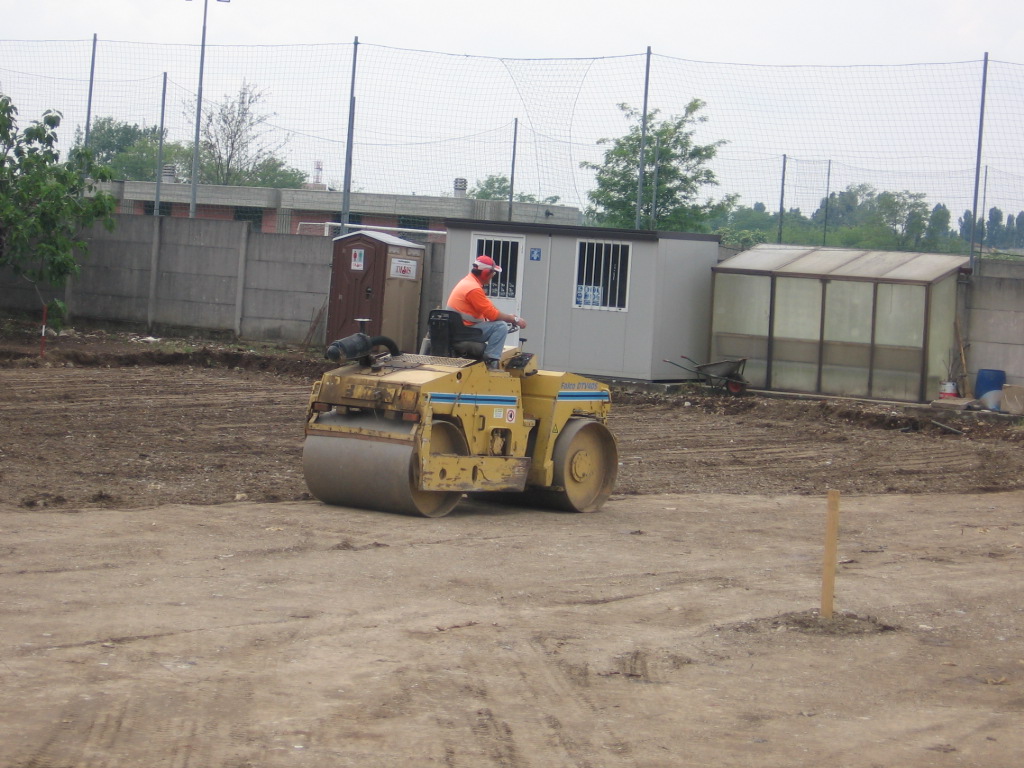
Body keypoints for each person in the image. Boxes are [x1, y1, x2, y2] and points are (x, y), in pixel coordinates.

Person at [446, 255, 527, 368]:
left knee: (499, 324)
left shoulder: (467, 283)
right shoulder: (473, 289)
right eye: (493, 273)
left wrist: (507, 316)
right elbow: (493, 315)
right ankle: (491, 361)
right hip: (465, 332)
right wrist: (515, 319)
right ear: (485, 273)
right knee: (501, 327)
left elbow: (489, 310)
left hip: (459, 329)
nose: (493, 276)